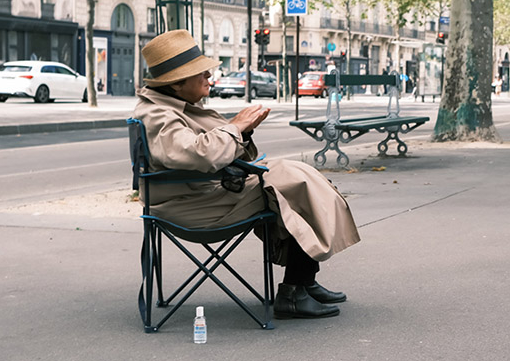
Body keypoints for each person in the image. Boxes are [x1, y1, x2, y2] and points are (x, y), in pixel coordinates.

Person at [135, 30, 360, 320]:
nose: (208, 75)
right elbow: (196, 154)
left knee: (296, 175)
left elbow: (204, 151)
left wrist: (243, 130)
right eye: (201, 72)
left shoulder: (166, 106)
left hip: (201, 194)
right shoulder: (157, 114)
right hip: (192, 205)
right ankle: (294, 291)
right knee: (294, 184)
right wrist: (236, 127)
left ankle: (303, 282)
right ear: (177, 83)